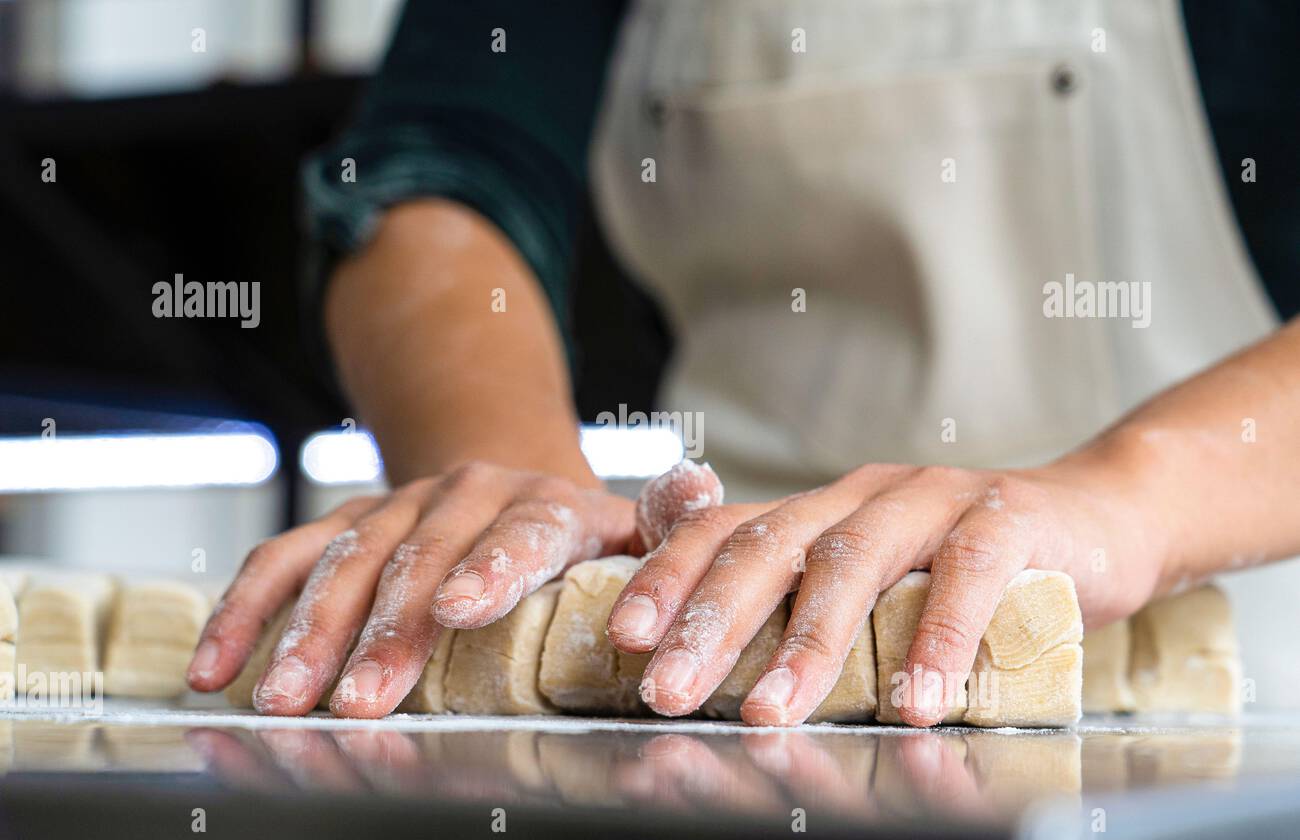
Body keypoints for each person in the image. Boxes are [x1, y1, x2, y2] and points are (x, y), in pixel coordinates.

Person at [187, 1, 1300, 727]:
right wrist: (519, 502)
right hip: (702, 669)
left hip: (1217, 670)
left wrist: (1122, 502)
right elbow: (440, 169)